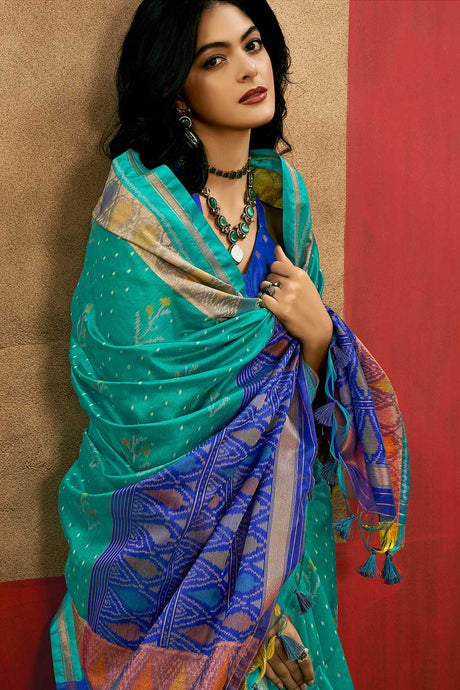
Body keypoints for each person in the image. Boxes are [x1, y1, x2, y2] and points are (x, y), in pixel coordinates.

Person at [50, 1, 409, 688]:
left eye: (253, 45)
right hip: (173, 561)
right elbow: (139, 417)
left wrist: (319, 337)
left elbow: (300, 402)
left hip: (286, 541)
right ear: (174, 91)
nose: (248, 68)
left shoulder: (283, 199)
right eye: (214, 59)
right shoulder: (141, 220)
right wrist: (247, 618)